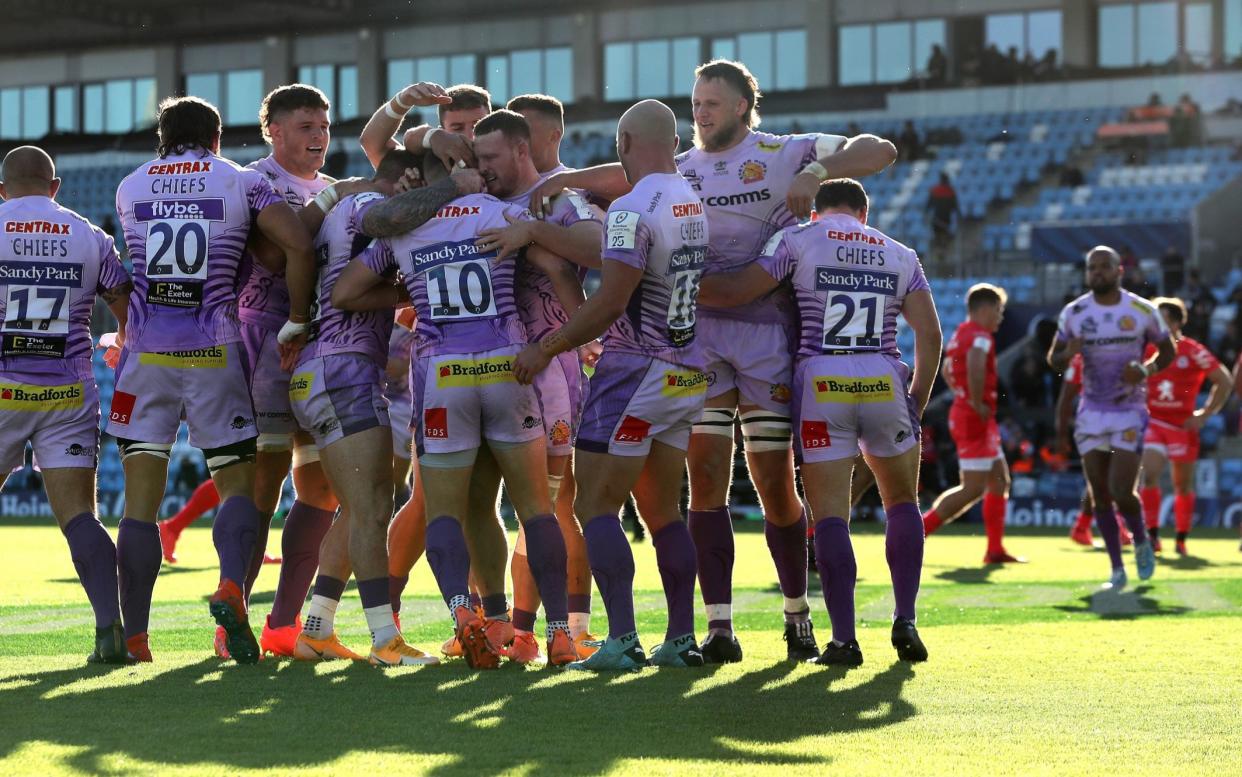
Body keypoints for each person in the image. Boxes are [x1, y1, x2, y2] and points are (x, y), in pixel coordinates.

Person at [527, 58, 897, 663]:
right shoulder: (681, 171)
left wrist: (821, 172)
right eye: (695, 103)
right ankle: (717, 626)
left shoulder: (782, 151)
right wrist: (555, 183)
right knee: (703, 485)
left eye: (713, 103)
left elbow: (880, 148)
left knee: (776, 487)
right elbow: (628, 168)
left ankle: (796, 613)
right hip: (694, 342)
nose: (701, 112)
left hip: (764, 337)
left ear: (746, 107)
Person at [332, 151, 577, 669]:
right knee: (536, 509)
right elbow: (556, 263)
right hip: (507, 368)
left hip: (444, 376)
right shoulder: (498, 212)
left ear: (425, 183)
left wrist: (411, 288)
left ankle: (465, 618)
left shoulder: (405, 229)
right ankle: (559, 634)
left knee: (442, 510)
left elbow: (346, 292)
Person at [697, 177, 941, 667]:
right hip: (883, 376)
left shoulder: (800, 240)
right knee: (902, 504)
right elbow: (930, 334)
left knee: (830, 515)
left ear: (818, 212)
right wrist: (915, 401)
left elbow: (741, 290)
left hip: (823, 378)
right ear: (863, 215)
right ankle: (905, 619)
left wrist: (675, 281)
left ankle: (845, 641)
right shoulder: (900, 253)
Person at [108, 96, 314, 663]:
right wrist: (297, 319)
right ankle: (230, 584)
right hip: (216, 351)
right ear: (218, 138)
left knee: (139, 506)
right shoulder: (239, 181)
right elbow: (294, 243)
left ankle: (137, 638)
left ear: (163, 136)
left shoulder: (130, 186)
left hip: (145, 357)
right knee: (235, 483)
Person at [514, 98, 710, 670]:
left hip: (633, 368)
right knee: (664, 512)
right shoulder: (690, 198)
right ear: (673, 143)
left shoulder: (629, 209)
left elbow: (609, 302)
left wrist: (546, 345)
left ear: (623, 145)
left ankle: (621, 639)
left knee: (597, 505)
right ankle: (679, 639)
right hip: (686, 370)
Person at [278, 147, 441, 666]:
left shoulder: (340, 209)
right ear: (407, 180)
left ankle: (316, 628)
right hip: (342, 366)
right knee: (372, 508)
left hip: (324, 365)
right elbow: (378, 234)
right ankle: (383, 638)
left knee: (359, 506)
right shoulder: (370, 202)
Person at [469, 108, 603, 662]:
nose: (482, 168)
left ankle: (544, 629)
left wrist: (538, 241)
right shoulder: (481, 202)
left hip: (547, 374)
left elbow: (598, 248)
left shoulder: (557, 202)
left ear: (523, 150)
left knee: (546, 507)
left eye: (490, 157)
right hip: (479, 372)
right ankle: (494, 623)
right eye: (477, 159)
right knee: (478, 502)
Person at [0, 145, 133, 663]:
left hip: (5, 388)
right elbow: (124, 310)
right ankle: (109, 629)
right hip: (68, 391)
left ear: (3, 190)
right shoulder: (88, 234)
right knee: (80, 515)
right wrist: (121, 344)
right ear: (55, 188)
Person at [1046, 246, 1174, 590]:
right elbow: (1054, 359)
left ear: (1120, 271)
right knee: (1100, 493)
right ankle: (1117, 569)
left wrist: (1145, 370)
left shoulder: (1141, 309)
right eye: (1092, 268)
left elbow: (1169, 350)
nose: (1098, 272)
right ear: (1087, 274)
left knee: (1121, 489)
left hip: (1129, 410)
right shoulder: (1075, 312)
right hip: (1090, 412)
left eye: (1105, 266)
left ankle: (1141, 538)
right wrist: (1066, 353)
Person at [923, 284, 1022, 563]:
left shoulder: (961, 334)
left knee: (999, 479)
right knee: (973, 488)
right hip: (974, 417)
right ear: (986, 308)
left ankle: (994, 549)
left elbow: (946, 369)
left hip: (971, 414)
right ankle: (916, 531)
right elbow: (977, 364)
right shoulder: (980, 337)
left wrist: (962, 394)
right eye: (999, 311)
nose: (1000, 318)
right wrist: (975, 400)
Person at [1138, 297, 1232, 555]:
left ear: (1178, 323)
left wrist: (1205, 414)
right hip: (1153, 421)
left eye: (1165, 320)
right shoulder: (1145, 348)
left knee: (1182, 484)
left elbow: (1224, 381)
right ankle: (1153, 535)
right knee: (1150, 474)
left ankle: (1180, 539)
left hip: (1182, 426)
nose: (1159, 325)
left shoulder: (1193, 350)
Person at [926, 173, 959, 244]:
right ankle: (943, 247)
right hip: (946, 219)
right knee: (944, 236)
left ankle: (939, 247)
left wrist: (926, 212)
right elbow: (955, 206)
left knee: (937, 236)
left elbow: (929, 205)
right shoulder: (951, 191)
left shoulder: (935, 190)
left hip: (937, 218)